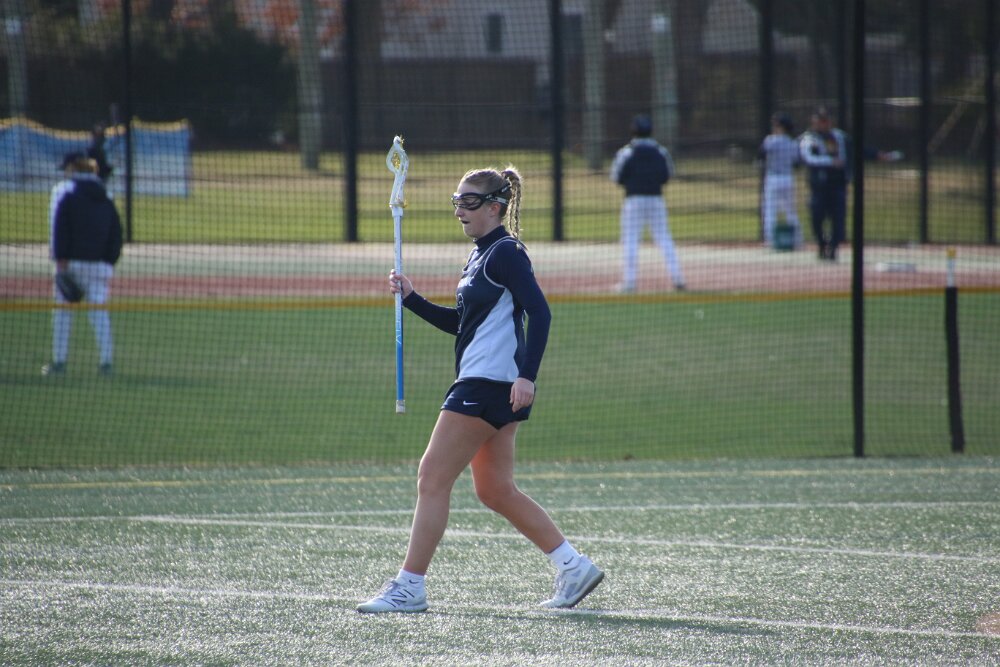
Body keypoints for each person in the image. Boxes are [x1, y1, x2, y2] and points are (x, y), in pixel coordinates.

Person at [357, 165, 604, 613]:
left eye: (469, 202)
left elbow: (540, 313)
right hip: (489, 383)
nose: (460, 210)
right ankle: (573, 566)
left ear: (495, 207)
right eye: (457, 201)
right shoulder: (479, 255)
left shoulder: (506, 252)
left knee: (432, 477)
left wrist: (527, 376)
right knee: (495, 490)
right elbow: (463, 323)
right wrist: (411, 299)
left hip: (488, 383)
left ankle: (410, 586)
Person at [42, 152, 123, 377]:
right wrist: (109, 262)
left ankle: (59, 362)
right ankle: (106, 363)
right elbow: (116, 233)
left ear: (73, 170)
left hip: (71, 264)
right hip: (100, 266)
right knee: (99, 313)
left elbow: (59, 228)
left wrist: (59, 259)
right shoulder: (106, 195)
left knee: (63, 313)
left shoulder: (64, 191)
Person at [610, 114, 685, 293]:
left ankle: (629, 283)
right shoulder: (661, 151)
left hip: (633, 200)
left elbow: (616, 177)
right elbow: (667, 175)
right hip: (656, 200)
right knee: (664, 238)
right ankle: (678, 279)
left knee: (630, 240)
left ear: (633, 130)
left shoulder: (626, 152)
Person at [799, 107, 851, 261]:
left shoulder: (839, 136)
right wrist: (829, 161)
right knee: (816, 217)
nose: (822, 124)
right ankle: (821, 244)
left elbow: (847, 155)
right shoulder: (809, 138)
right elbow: (808, 158)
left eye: (825, 121)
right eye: (819, 121)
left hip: (837, 184)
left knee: (838, 218)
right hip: (818, 187)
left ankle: (833, 248)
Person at [758, 112, 803, 249]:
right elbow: (797, 163)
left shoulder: (770, 140)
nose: (773, 126)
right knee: (790, 210)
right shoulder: (792, 142)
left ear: (781, 126)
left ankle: (770, 240)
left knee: (770, 210)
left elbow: (761, 153)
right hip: (788, 179)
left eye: (776, 124)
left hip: (773, 179)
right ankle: (797, 240)